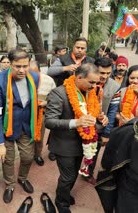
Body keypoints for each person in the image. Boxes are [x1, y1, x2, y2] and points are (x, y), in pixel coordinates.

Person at [45, 63, 107, 213]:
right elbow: (49, 121)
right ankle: (61, 202)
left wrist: (101, 120)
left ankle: (64, 195)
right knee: (68, 177)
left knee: (72, 175)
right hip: (64, 144)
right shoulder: (58, 93)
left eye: (96, 82)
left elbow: (91, 117)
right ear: (78, 77)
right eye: (91, 82)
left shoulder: (90, 92)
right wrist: (76, 122)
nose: (94, 86)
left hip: (83, 143)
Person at [0, 49, 40, 204]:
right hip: (7, 127)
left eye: (25, 66)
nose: (22, 70)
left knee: (27, 157)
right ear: (9, 64)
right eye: (18, 66)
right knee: (8, 160)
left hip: (26, 126)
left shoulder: (35, 77)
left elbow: (31, 102)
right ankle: (10, 185)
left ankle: (22, 178)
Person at [83, 57, 120, 184]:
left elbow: (112, 111)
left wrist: (106, 133)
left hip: (99, 127)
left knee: (94, 152)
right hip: (81, 123)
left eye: (108, 73)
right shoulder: (85, 81)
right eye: (101, 72)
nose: (104, 76)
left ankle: (88, 173)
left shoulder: (115, 86)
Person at [29, 60, 56, 166]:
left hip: (41, 113)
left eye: (34, 73)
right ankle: (28, 156)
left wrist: (46, 102)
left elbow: (54, 98)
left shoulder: (49, 80)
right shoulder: (20, 80)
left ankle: (38, 155)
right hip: (26, 114)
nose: (32, 76)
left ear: (40, 71)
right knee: (27, 137)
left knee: (39, 136)